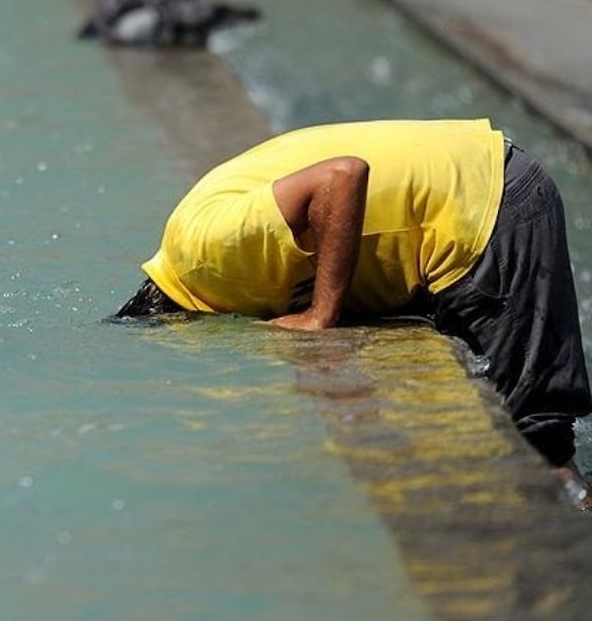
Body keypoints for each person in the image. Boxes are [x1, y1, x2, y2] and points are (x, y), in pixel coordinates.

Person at [117, 119, 592, 507]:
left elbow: (343, 175)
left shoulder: (207, 254)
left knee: (538, 447)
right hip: (466, 188)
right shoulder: (197, 249)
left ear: (175, 321)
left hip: (484, 207)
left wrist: (321, 315)